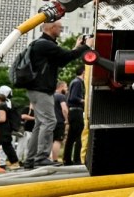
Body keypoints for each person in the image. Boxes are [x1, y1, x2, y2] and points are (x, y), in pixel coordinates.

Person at [23, 19, 92, 169]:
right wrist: (87, 46)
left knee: (40, 123)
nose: (61, 30)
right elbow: (65, 57)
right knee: (49, 122)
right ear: (52, 27)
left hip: (36, 88)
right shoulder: (44, 44)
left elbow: (61, 61)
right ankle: (41, 157)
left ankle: (31, 159)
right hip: (41, 89)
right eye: (60, 27)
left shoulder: (42, 44)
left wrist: (76, 47)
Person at [63, 66, 86, 166]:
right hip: (77, 111)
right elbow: (73, 97)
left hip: (72, 112)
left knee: (71, 137)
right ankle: (77, 159)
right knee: (79, 136)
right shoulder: (78, 83)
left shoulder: (73, 82)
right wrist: (84, 101)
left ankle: (67, 159)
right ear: (84, 72)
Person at [51, 80, 69, 164]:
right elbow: (64, 109)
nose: (67, 89)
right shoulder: (61, 96)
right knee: (57, 140)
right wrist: (67, 119)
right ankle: (55, 159)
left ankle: (48, 158)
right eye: (66, 87)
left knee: (50, 140)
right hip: (59, 121)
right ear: (61, 87)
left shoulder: (50, 96)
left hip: (49, 121)